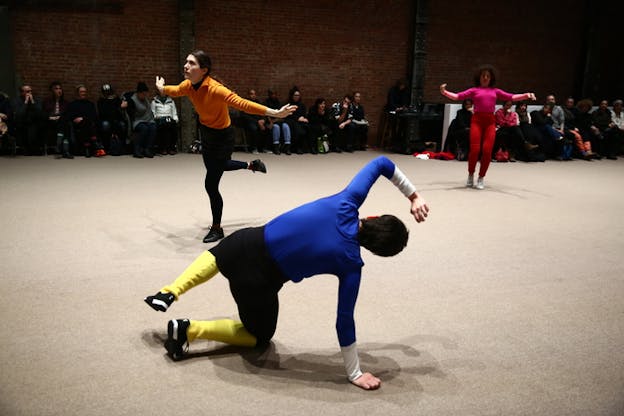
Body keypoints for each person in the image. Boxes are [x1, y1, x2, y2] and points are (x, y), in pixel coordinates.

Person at [144, 155, 430, 390]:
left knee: (219, 255)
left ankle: (171, 290)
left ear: (372, 217)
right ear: (375, 251)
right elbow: (344, 321)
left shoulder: (348, 201)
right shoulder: (351, 264)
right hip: (257, 283)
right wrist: (354, 373)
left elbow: (381, 163)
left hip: (242, 242)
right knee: (259, 337)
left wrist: (414, 196)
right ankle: (189, 329)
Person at [155, 50, 295, 243]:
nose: (186, 66)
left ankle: (217, 228)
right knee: (218, 166)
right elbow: (175, 90)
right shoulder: (188, 85)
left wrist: (275, 113)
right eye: (186, 62)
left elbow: (243, 103)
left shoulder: (216, 89)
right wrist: (161, 88)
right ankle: (251, 165)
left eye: (191, 63)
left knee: (211, 183)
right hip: (207, 133)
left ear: (203, 70)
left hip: (223, 136)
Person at [440, 65, 536, 189]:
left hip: (490, 122)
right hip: (477, 122)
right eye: (483, 76)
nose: (485, 78)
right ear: (479, 78)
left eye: (488, 76)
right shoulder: (474, 90)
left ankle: (481, 177)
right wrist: (444, 92)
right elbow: (458, 97)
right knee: (474, 150)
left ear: (491, 78)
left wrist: (526, 95)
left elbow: (511, 97)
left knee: (487, 151)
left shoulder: (495, 91)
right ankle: (470, 174)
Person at [64, 85, 101, 157]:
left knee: (86, 123)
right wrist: (75, 119)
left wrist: (83, 118)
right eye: (81, 92)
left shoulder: (90, 104)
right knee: (85, 124)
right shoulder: (72, 104)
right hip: (76, 124)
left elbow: (94, 116)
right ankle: (94, 142)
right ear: (78, 93)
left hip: (87, 123)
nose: (83, 93)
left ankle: (87, 147)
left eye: (84, 91)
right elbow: (69, 116)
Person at [12, 84, 44, 155]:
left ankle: (33, 149)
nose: (29, 93)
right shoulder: (16, 101)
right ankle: (28, 149)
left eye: (30, 91)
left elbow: (39, 113)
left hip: (34, 122)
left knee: (35, 126)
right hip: (22, 122)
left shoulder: (36, 100)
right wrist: (26, 102)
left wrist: (32, 102)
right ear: (22, 92)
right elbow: (19, 114)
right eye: (27, 91)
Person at [42, 81, 72, 158]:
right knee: (66, 126)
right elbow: (43, 114)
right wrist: (50, 117)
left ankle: (59, 145)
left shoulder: (66, 103)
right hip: (50, 122)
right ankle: (65, 151)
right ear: (52, 91)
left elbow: (68, 115)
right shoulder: (47, 101)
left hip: (61, 122)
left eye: (60, 88)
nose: (59, 90)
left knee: (65, 122)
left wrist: (60, 117)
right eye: (56, 89)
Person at [97, 84, 128, 156]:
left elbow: (120, 108)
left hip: (116, 118)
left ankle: (122, 146)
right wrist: (114, 108)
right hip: (105, 119)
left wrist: (115, 108)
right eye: (105, 92)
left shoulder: (116, 98)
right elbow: (103, 112)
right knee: (106, 125)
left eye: (108, 91)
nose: (107, 93)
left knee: (122, 125)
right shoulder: (100, 100)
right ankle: (106, 146)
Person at [128, 82, 157, 158]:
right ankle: (137, 149)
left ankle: (148, 149)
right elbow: (132, 114)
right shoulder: (132, 100)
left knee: (153, 128)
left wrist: (150, 120)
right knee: (144, 129)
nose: (145, 95)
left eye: (145, 94)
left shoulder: (146, 100)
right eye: (143, 94)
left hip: (148, 120)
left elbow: (149, 112)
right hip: (137, 121)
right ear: (138, 93)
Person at [264, 88, 292, 155]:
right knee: (276, 127)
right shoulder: (266, 103)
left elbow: (281, 115)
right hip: (270, 122)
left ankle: (287, 147)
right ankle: (276, 147)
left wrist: (275, 120)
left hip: (278, 120)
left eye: (275, 94)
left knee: (286, 126)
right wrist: (271, 122)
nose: (273, 95)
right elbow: (266, 114)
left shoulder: (278, 102)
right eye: (272, 94)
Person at [151, 90, 179, 155]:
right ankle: (162, 148)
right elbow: (153, 113)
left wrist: (175, 120)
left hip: (169, 118)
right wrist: (157, 118)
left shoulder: (171, 101)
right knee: (163, 128)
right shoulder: (154, 102)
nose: (163, 93)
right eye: (161, 91)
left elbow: (174, 112)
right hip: (159, 119)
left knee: (173, 127)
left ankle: (171, 148)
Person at [285, 86, 309, 154]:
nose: (297, 97)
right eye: (295, 95)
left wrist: (304, 118)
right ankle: (295, 148)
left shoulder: (302, 105)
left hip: (300, 121)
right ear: (292, 96)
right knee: (297, 128)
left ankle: (303, 147)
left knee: (306, 127)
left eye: (298, 95)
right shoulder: (289, 104)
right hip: (290, 120)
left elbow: (304, 114)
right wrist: (298, 118)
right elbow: (288, 115)